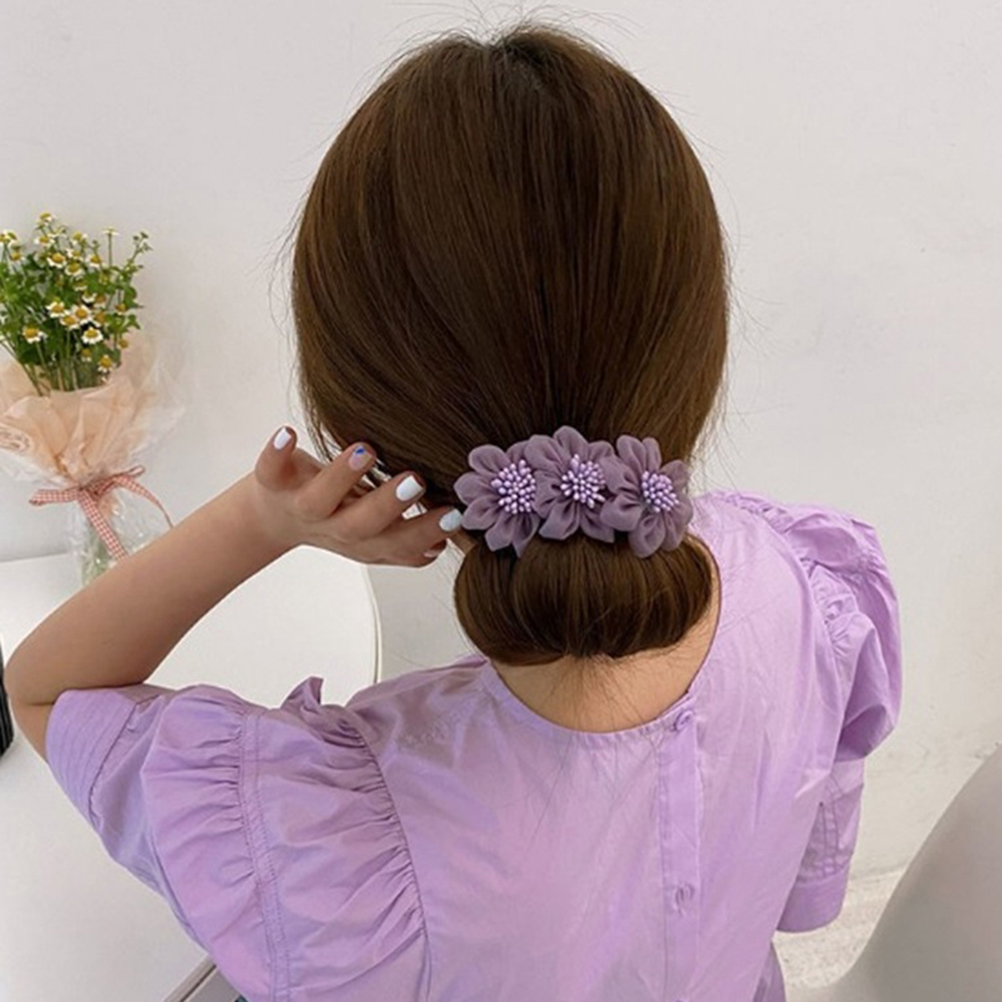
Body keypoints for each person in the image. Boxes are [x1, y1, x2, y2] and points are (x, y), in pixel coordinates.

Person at [5, 19, 902, 1002]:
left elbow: (45, 691)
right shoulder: (810, 587)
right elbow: (796, 894)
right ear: (697, 340)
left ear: (362, 420)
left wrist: (263, 519)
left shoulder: (341, 847)